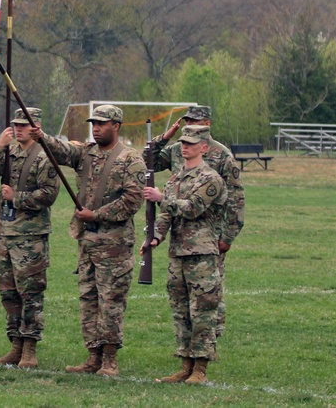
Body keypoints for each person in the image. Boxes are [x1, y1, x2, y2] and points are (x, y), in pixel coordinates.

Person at [30, 104, 144, 376]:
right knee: (88, 299)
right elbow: (61, 150)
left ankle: (110, 361)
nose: (96, 128)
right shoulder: (86, 153)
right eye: (93, 123)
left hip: (114, 245)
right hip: (87, 243)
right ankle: (92, 356)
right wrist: (42, 137)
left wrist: (97, 215)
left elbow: (132, 200)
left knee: (111, 302)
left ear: (116, 126)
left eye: (102, 123)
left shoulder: (131, 159)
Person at [142, 125, 227, 384]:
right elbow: (167, 214)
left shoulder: (211, 178)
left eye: (191, 143)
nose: (185, 146)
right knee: (180, 311)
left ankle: (200, 369)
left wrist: (160, 198)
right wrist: (156, 236)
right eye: (183, 142)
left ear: (204, 147)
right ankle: (185, 365)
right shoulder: (176, 177)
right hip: (177, 252)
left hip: (201, 254)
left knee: (202, 311)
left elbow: (192, 208)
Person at [151, 105, 244, 337]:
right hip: (180, 232)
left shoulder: (222, 154)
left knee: (209, 289)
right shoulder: (176, 149)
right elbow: (147, 160)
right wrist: (164, 138)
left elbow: (235, 198)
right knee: (182, 293)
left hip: (209, 233)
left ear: (207, 124)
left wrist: (228, 236)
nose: (190, 124)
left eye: (196, 121)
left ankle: (211, 336)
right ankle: (190, 344)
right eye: (187, 120)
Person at [0, 107, 59, 369]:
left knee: (31, 293)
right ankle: (15, 344)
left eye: (24, 125)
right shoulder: (8, 152)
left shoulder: (45, 155)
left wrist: (18, 197)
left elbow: (49, 194)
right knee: (9, 293)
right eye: (16, 124)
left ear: (35, 125)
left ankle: (30, 348)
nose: (19, 128)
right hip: (6, 231)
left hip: (31, 235)